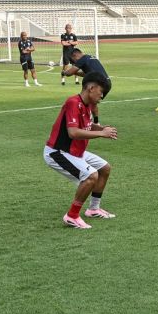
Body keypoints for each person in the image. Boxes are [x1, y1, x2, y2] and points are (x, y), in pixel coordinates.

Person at [44, 76, 118, 229]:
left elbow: (87, 127)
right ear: (91, 88)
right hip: (58, 152)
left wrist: (102, 129)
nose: (101, 96)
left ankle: (93, 209)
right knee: (91, 176)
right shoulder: (73, 102)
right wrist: (101, 134)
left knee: (104, 168)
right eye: (101, 91)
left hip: (75, 151)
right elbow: (73, 132)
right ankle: (71, 216)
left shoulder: (86, 105)